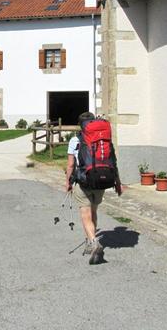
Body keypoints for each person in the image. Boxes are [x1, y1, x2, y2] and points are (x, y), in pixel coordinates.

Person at [65, 111, 121, 265]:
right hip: (101, 180)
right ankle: (91, 241)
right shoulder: (104, 139)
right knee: (93, 212)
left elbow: (70, 164)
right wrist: (117, 182)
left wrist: (68, 182)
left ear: (80, 124)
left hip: (83, 182)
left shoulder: (75, 140)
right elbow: (113, 161)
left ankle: (94, 243)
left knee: (85, 213)